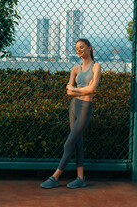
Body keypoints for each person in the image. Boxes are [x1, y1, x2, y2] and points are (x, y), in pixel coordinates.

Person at [40, 39, 101, 189]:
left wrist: (75, 90)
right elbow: (69, 90)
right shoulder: (75, 69)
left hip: (85, 106)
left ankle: (55, 177)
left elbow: (91, 90)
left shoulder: (96, 67)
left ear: (89, 48)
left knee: (69, 144)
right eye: (77, 48)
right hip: (74, 106)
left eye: (81, 47)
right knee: (77, 142)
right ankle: (80, 178)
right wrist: (78, 90)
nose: (79, 50)